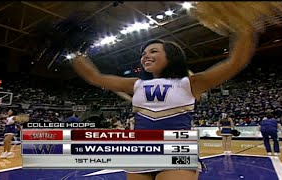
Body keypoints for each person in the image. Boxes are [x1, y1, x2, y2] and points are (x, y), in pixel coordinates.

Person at [70, 26, 257, 180]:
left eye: (153, 51)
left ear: (171, 56)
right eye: (143, 53)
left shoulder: (190, 83)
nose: (145, 56)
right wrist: (74, 52)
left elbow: (235, 62)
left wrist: (245, 28)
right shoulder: (137, 84)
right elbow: (96, 77)